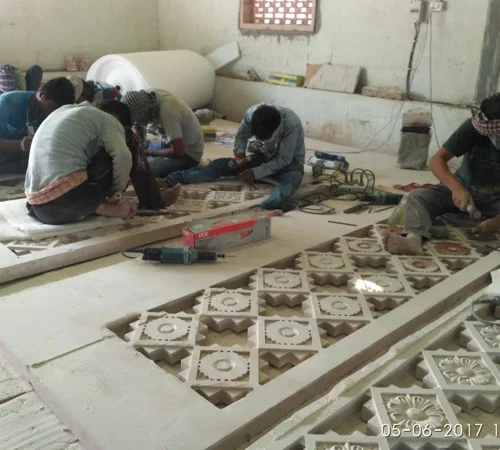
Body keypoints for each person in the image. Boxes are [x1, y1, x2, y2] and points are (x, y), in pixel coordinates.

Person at [25, 101, 181, 225]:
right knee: (128, 136)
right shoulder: (108, 120)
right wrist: (115, 193)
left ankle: (98, 207)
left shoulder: (64, 112)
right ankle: (153, 200)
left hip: (41, 209)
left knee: (84, 159)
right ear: (115, 117)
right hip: (71, 199)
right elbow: (123, 156)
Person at [382, 93, 500, 255]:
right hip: (465, 192)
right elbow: (437, 160)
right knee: (417, 197)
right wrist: (456, 188)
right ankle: (413, 240)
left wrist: (498, 222)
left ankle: (465, 221)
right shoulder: (476, 126)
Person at [162, 104, 305, 212]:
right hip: (265, 156)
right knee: (226, 165)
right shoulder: (252, 115)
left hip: (289, 163)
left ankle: (262, 208)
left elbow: (283, 160)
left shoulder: (291, 124)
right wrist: (240, 153)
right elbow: (242, 136)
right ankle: (174, 179)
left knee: (291, 181)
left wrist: (255, 173)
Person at [0, 77, 75, 174]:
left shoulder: (47, 109)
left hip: (26, 153)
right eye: (53, 108)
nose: (55, 113)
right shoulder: (7, 102)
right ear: (42, 95)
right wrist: (21, 145)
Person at [122, 89, 203, 178]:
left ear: (144, 112)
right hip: (169, 143)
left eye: (138, 119)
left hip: (187, 154)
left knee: (143, 170)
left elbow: (178, 152)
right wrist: (135, 130)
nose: (138, 122)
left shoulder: (168, 111)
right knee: (136, 154)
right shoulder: (147, 98)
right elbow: (136, 124)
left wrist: (150, 153)